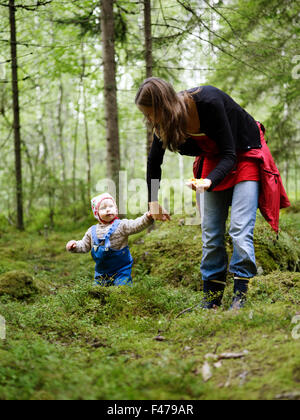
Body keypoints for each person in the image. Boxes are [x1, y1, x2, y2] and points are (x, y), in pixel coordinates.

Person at [135, 77, 290, 309]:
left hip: (244, 154)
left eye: (150, 114)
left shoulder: (208, 101)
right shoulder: (164, 124)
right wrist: (153, 201)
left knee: (239, 228)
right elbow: (153, 162)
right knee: (210, 233)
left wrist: (209, 181)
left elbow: (230, 154)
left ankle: (241, 296)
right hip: (213, 161)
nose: (148, 120)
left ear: (164, 106)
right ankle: (211, 300)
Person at [66, 193, 154, 286]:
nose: (108, 209)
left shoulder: (122, 225)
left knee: (122, 289)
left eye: (111, 206)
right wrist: (74, 246)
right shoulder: (92, 231)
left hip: (121, 269)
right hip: (101, 272)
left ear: (116, 209)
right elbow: (84, 245)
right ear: (97, 213)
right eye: (103, 208)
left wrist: (147, 217)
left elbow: (136, 224)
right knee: (98, 293)